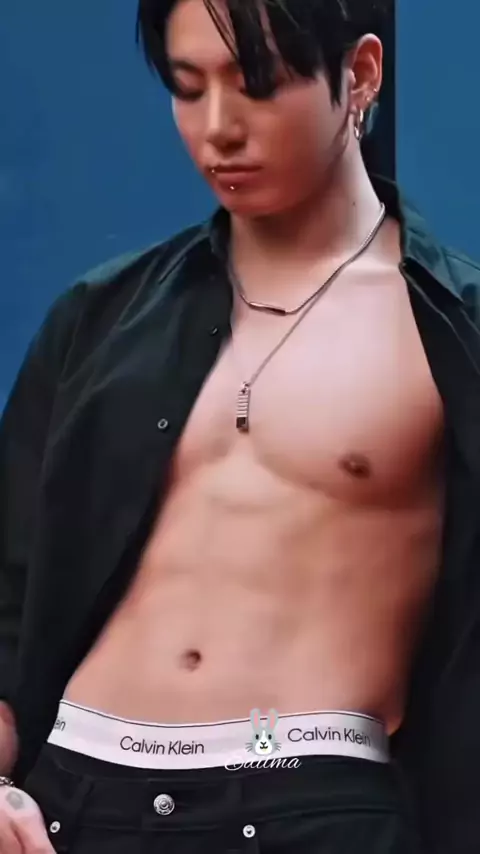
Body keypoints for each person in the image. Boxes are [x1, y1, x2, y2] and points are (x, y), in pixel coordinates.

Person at [1, 0, 480, 851]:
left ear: (361, 75)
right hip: (72, 802)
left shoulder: (451, 332)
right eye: (189, 89)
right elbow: (7, 599)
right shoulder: (98, 319)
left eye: (256, 84)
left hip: (309, 804)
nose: (217, 128)